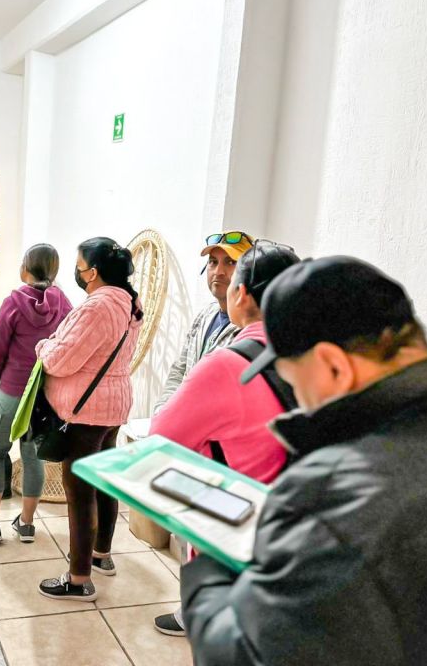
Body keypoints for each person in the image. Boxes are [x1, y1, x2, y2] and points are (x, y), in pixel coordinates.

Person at [181, 256, 427, 666]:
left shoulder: (329, 499)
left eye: (293, 382)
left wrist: (210, 566)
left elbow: (247, 655)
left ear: (333, 366)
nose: (297, 399)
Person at [148, 241, 299, 636]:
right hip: (290, 526)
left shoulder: (229, 363)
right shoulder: (312, 353)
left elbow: (160, 442)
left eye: (229, 268)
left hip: (234, 530)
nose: (219, 273)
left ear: (241, 292)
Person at [35, 237, 143, 602]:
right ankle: (101, 555)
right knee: (105, 482)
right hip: (113, 405)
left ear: (92, 273)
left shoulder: (97, 307)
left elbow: (60, 360)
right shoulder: (129, 301)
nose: (76, 272)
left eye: (79, 266)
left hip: (86, 410)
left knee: (80, 492)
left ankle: (79, 579)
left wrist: (43, 345)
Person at [0, 244, 73, 544]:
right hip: (43, 395)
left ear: (25, 269)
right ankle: (26, 524)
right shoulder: (64, 304)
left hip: (12, 391)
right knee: (33, 458)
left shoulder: (13, 303)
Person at [154, 231, 255, 413]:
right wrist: (163, 411)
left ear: (250, 272)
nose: (218, 272)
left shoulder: (250, 328)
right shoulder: (206, 315)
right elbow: (180, 369)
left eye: (231, 262)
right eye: (213, 262)